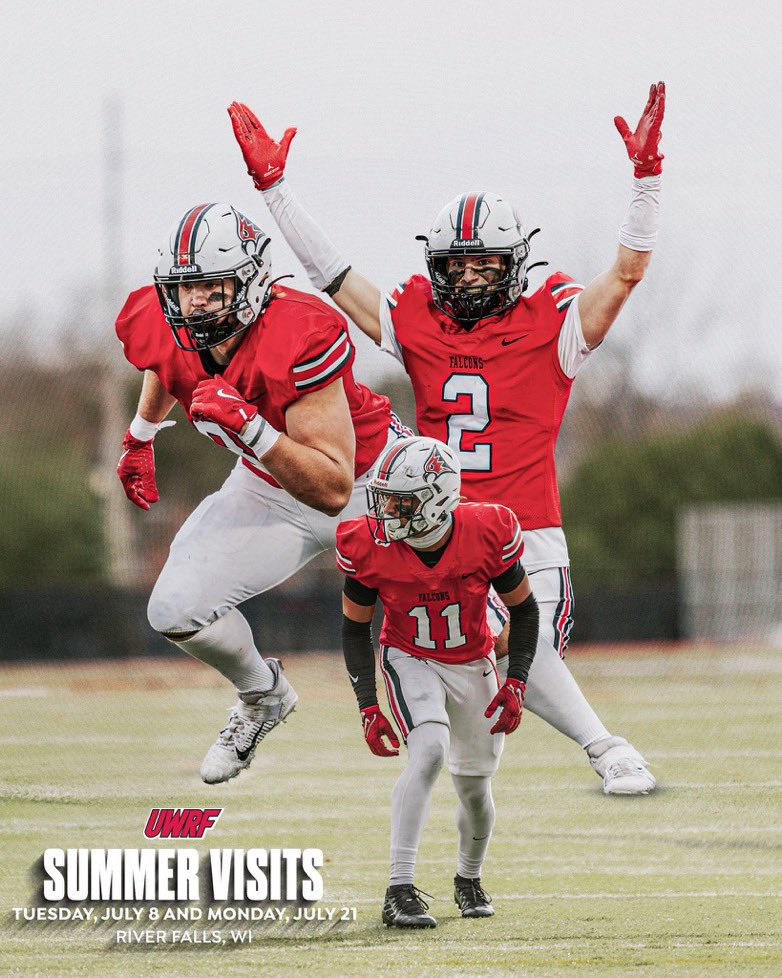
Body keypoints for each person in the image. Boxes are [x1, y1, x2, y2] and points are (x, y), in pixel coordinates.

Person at [225, 83, 665, 795]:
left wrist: (646, 181)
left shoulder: (553, 323)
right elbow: (335, 279)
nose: (466, 277)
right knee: (472, 742)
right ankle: (572, 764)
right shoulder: (420, 319)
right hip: (438, 533)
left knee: (501, 653)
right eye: (455, 264)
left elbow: (627, 272)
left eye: (483, 264)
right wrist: (273, 190)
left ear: (513, 264)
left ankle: (606, 747)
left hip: (530, 536)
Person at [116, 202, 410, 784]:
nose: (193, 304)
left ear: (249, 282)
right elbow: (163, 360)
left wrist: (252, 427)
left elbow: (333, 487)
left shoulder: (299, 330)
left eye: (210, 288)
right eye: (184, 290)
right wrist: (141, 435)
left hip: (377, 488)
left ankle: (595, 741)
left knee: (482, 632)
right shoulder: (164, 319)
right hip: (268, 485)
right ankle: (263, 695)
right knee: (174, 609)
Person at [338, 436, 539, 927]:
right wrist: (368, 704)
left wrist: (516, 683)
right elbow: (353, 627)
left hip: (473, 661)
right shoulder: (366, 545)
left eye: (401, 501)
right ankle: (398, 888)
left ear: (437, 499)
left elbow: (525, 610)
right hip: (409, 655)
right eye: (385, 499)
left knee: (475, 789)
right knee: (427, 749)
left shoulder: (487, 529)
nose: (387, 512)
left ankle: (468, 878)